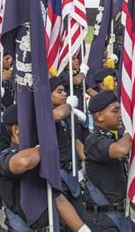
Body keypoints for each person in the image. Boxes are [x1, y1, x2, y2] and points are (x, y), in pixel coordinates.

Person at [0, 104, 90, 231]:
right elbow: (24, 161)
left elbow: (59, 200)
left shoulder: (43, 157)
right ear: (17, 129)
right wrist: (45, 146)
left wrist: (83, 229)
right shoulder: (4, 158)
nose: (42, 129)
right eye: (36, 125)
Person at [84, 91, 135, 231]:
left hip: (120, 213)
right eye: (115, 111)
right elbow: (121, 150)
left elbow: (125, 182)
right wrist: (131, 130)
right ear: (100, 116)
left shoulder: (111, 138)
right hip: (103, 219)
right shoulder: (94, 140)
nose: (121, 115)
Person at [49, 77, 88, 228]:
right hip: (57, 173)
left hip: (72, 172)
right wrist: (70, 106)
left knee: (80, 215)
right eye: (59, 91)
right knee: (63, 222)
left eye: (64, 91)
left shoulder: (66, 115)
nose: (64, 94)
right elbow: (56, 116)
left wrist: (86, 161)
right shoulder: (46, 113)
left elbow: (75, 140)